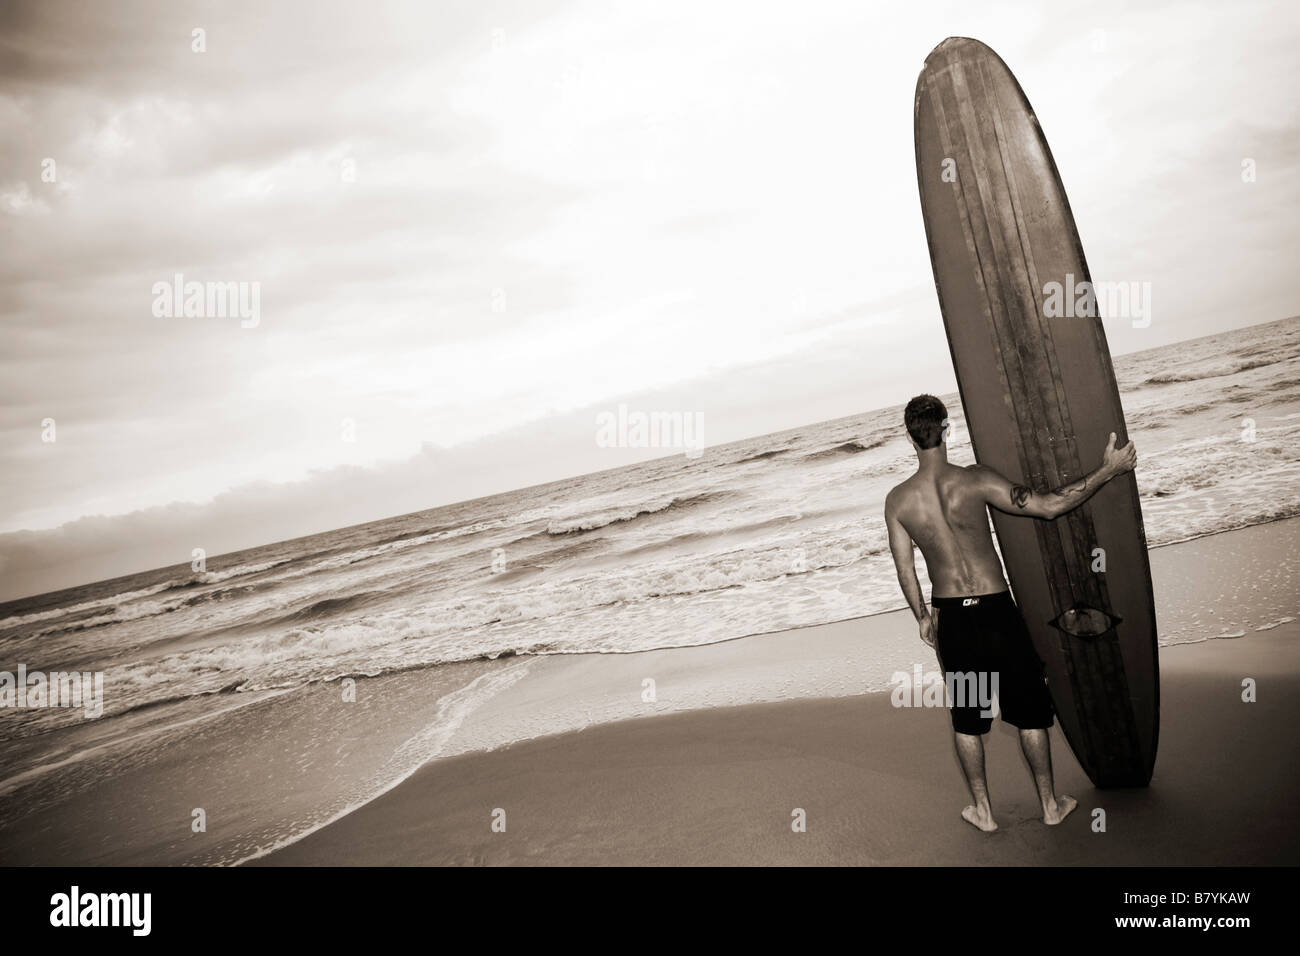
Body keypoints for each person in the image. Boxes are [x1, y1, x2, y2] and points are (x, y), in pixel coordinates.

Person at [884, 394, 1137, 831]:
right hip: (996, 611)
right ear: (947, 428)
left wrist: (923, 617)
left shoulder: (898, 501)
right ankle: (1049, 806)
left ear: (910, 438)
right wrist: (1110, 469)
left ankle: (983, 812)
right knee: (1029, 711)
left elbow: (904, 567)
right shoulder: (976, 480)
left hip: (954, 620)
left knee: (967, 719)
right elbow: (1049, 505)